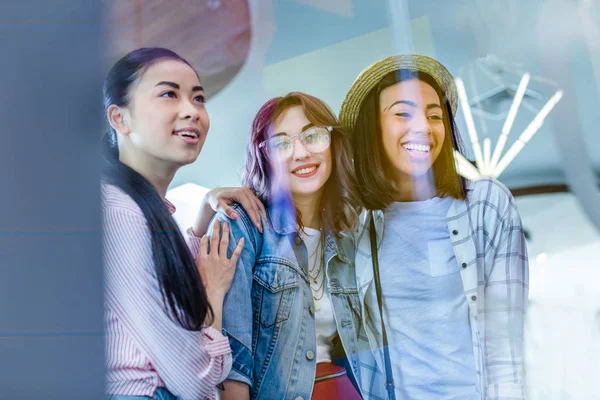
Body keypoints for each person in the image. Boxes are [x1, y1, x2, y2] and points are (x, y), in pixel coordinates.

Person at [338, 54, 530, 399]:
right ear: (372, 129)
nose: (424, 127)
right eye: (402, 113)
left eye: (434, 115)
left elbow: (505, 346)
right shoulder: (356, 226)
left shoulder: (486, 205)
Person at [101, 47, 245, 400]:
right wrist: (213, 290)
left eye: (199, 98)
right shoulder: (121, 215)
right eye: (168, 94)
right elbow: (194, 379)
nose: (191, 111)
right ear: (120, 119)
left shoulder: (137, 208)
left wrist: (201, 222)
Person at [203, 92, 367, 399]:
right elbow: (233, 365)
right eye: (281, 143)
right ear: (264, 156)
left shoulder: (350, 234)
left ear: (333, 143)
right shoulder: (242, 227)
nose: (301, 153)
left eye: (313, 136)